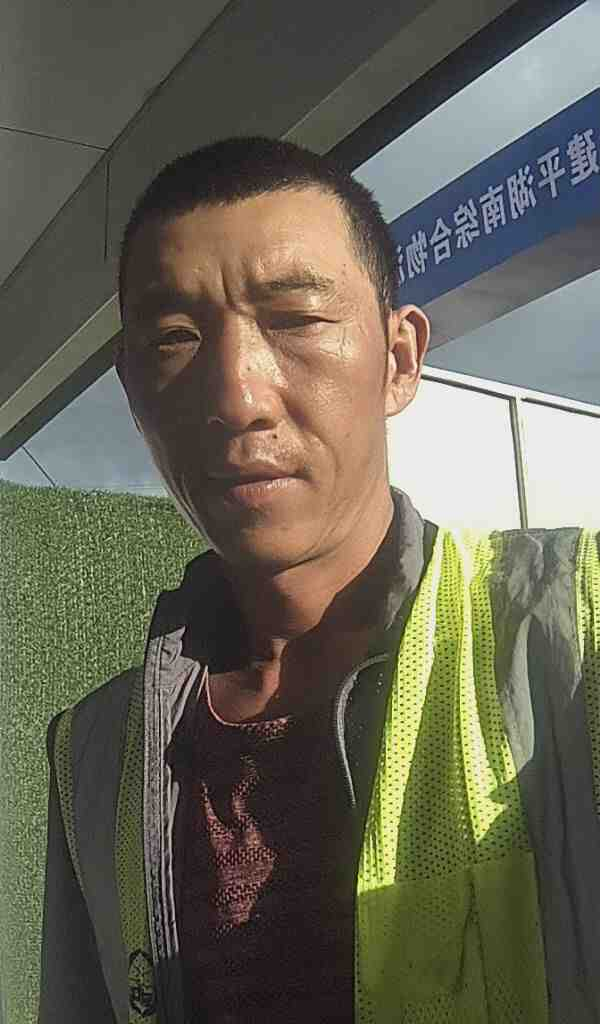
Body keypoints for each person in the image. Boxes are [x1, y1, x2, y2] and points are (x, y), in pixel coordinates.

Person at [38, 137, 600, 1024]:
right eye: (174, 338)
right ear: (133, 390)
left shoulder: (573, 637)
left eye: (296, 320)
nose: (237, 397)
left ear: (399, 359)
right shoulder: (95, 753)